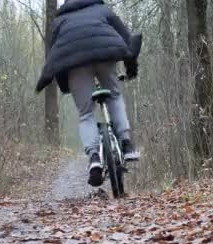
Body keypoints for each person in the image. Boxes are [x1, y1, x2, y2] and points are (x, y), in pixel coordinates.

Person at [36, 0, 141, 187]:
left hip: (76, 65)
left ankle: (94, 158)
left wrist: (65, 86)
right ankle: (126, 144)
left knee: (86, 113)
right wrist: (131, 68)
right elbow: (128, 40)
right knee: (114, 96)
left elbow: (57, 56)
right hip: (105, 56)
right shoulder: (102, 10)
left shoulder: (61, 21)